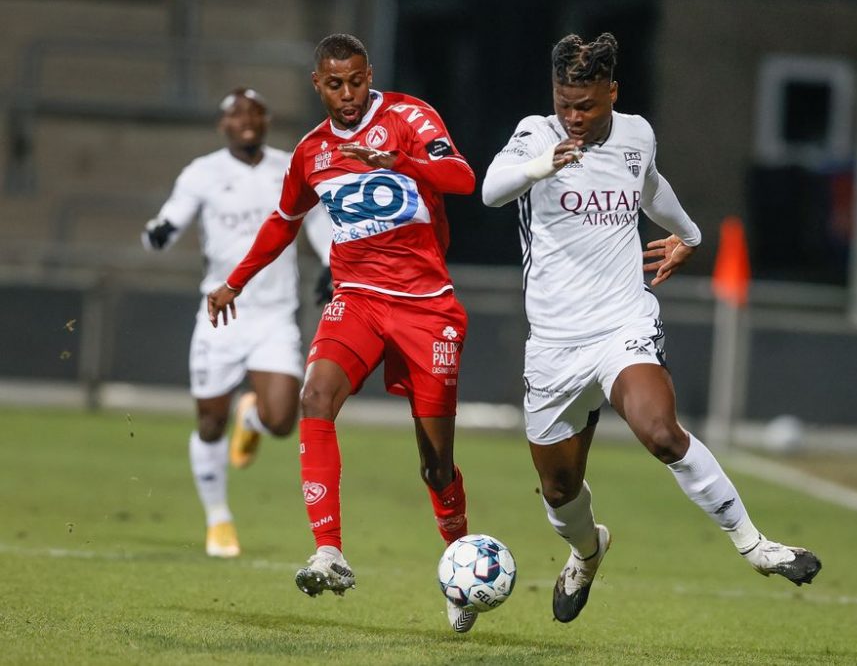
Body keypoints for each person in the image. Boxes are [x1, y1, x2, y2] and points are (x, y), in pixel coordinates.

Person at [481, 32, 822, 623]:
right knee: (560, 493)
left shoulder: (637, 134)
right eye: (564, 101)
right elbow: (490, 190)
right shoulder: (536, 134)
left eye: (585, 104)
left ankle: (755, 545)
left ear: (612, 93)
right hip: (555, 344)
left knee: (661, 432)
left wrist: (689, 235)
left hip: (622, 322)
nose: (573, 116)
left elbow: (650, 186)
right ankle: (587, 552)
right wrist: (543, 164)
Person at [204, 34, 479, 632]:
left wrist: (400, 161)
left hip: (426, 307)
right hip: (355, 299)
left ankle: (459, 570)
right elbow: (283, 222)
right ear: (317, 85)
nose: (348, 95)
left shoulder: (409, 117)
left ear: (369, 75)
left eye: (356, 81)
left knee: (436, 463)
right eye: (335, 84)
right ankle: (329, 550)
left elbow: (462, 179)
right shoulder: (312, 152)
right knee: (315, 397)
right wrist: (235, 282)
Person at [142, 87, 331, 558]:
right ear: (223, 125)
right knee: (209, 422)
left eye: (255, 112)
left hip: (274, 314)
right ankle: (218, 519)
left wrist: (332, 263)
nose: (246, 119)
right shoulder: (203, 173)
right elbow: (169, 223)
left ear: (266, 120)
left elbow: (317, 222)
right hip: (220, 313)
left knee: (284, 420)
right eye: (236, 113)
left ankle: (253, 417)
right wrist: (159, 234)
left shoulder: (290, 166)